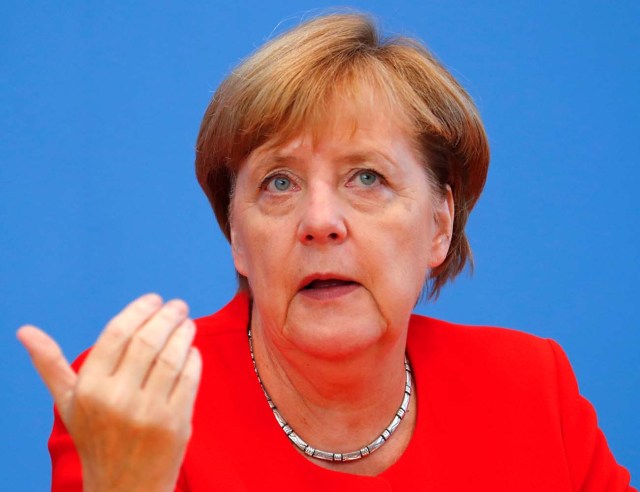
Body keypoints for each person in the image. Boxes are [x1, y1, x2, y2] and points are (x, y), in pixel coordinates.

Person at [17, 12, 634, 491]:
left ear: (440, 224)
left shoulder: (531, 390)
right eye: (278, 183)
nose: (320, 222)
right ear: (236, 235)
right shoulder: (138, 400)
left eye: (366, 177)